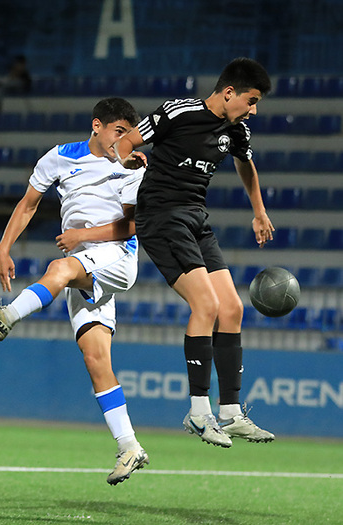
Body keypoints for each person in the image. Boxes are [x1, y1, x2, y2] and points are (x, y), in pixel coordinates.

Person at [0, 98, 149, 485]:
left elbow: (131, 228)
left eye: (129, 134)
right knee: (95, 357)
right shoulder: (59, 157)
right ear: (97, 125)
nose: (125, 141)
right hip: (85, 265)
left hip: (116, 257)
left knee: (59, 267)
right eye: (119, 132)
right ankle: (129, 445)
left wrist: (81, 235)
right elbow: (29, 203)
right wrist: (2, 247)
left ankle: (6, 317)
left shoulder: (133, 166)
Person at [113, 57, 276, 447]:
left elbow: (246, 165)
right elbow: (126, 141)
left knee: (232, 308)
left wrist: (259, 211)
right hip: (161, 217)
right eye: (251, 101)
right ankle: (198, 412)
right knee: (206, 306)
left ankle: (230, 412)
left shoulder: (237, 130)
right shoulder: (178, 112)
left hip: (195, 218)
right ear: (229, 92)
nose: (253, 110)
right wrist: (127, 157)